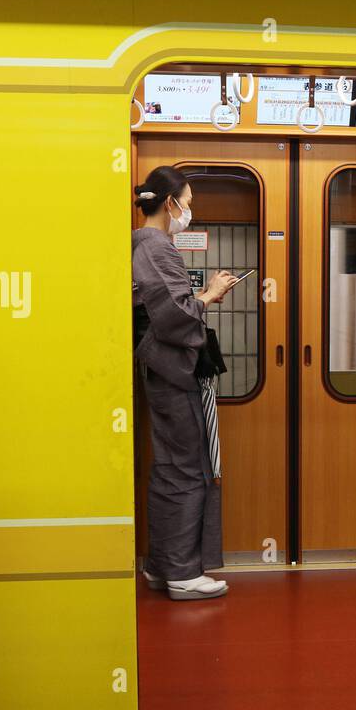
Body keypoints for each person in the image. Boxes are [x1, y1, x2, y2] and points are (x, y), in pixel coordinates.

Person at [132, 165, 242, 601]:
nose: (189, 213)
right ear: (170, 202)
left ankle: (162, 565)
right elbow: (174, 316)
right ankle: (182, 572)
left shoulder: (149, 245)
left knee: (170, 466)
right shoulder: (154, 245)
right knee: (187, 466)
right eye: (188, 204)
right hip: (170, 371)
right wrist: (209, 295)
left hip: (163, 370)